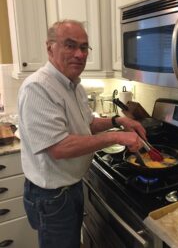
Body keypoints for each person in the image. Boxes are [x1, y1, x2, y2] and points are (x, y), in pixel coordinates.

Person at [18, 19, 146, 248]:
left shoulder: (73, 84)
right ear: (50, 47)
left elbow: (89, 124)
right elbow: (59, 148)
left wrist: (119, 120)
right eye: (70, 45)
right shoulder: (38, 87)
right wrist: (117, 136)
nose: (79, 54)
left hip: (71, 187)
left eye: (84, 47)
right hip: (52, 197)